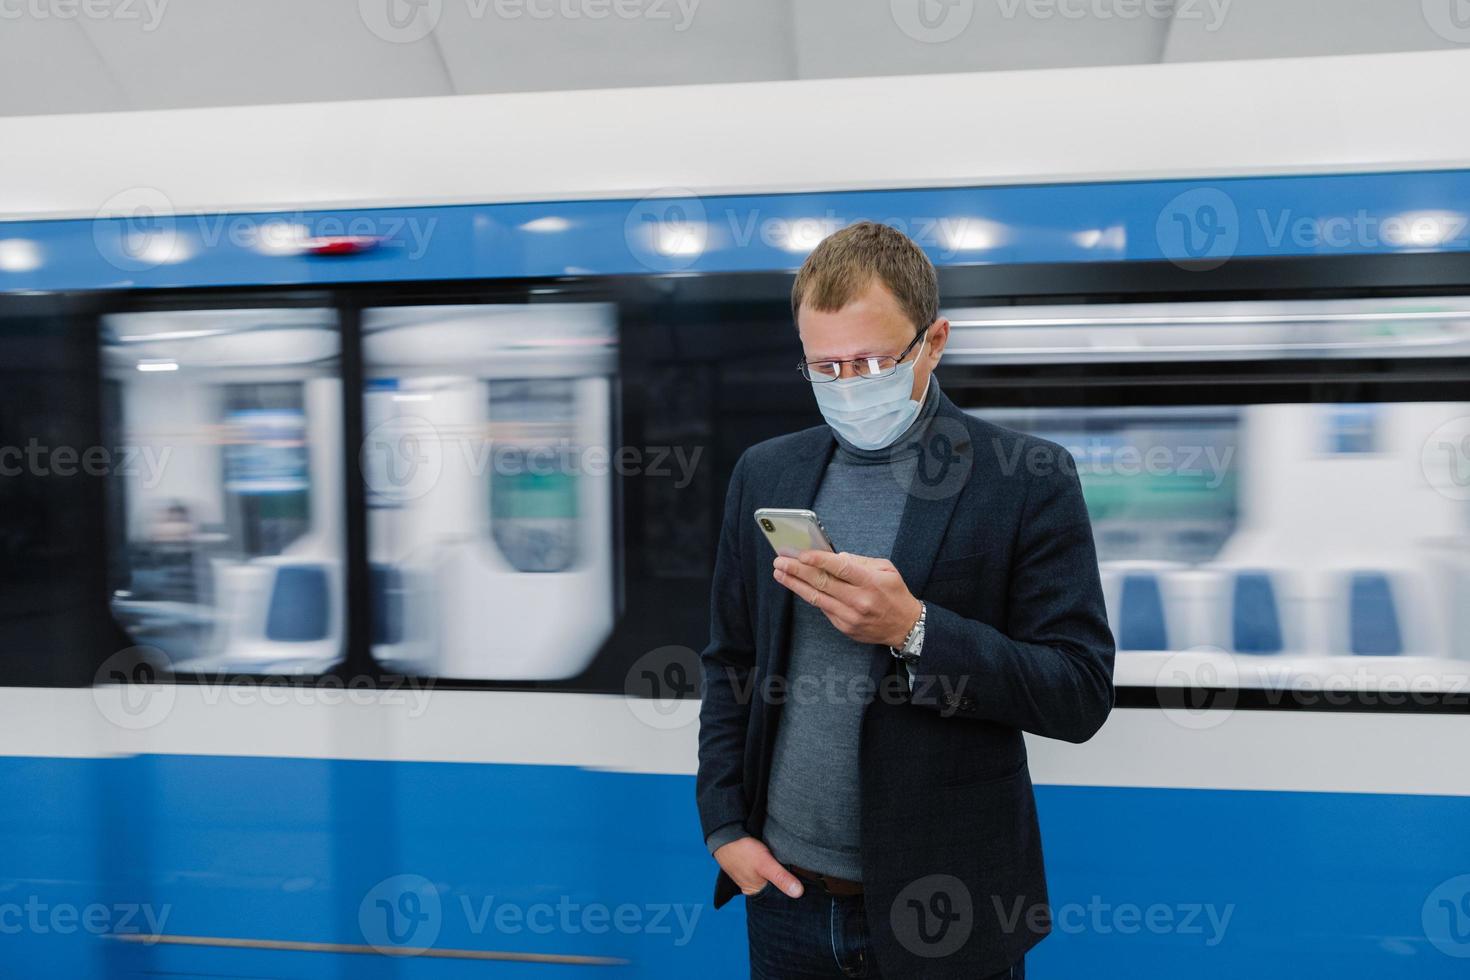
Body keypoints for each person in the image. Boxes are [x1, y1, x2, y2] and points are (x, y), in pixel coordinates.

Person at [696, 222, 1115, 978]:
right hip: (787, 900)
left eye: (873, 361)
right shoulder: (767, 474)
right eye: (825, 368)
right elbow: (731, 659)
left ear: (935, 340)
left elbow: (1079, 693)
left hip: (945, 905)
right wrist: (725, 825)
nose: (849, 384)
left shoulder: (1025, 477)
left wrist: (916, 629)